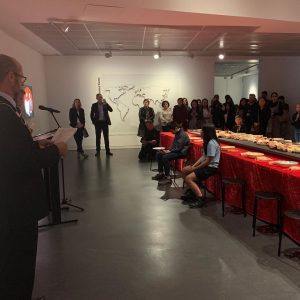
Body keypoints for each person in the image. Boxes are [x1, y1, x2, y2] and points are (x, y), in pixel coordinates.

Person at [0, 54, 68, 300]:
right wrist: (55, 150)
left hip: (10, 206)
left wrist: (34, 143)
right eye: (21, 77)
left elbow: (12, 152)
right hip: (16, 209)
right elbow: (23, 163)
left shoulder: (6, 110)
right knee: (18, 266)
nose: (22, 83)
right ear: (10, 77)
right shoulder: (5, 113)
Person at [181, 124, 220, 208]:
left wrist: (195, 168)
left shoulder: (211, 143)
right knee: (184, 170)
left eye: (202, 131)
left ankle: (200, 198)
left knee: (188, 178)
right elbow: (203, 157)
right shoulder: (207, 142)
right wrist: (193, 166)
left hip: (211, 168)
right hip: (206, 165)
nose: (200, 132)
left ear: (206, 132)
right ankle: (192, 192)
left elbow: (208, 161)